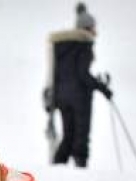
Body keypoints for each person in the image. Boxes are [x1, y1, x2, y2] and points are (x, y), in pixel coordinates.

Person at [47, 3, 112, 168]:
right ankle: (81, 169)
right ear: (87, 28)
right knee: (81, 136)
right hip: (80, 99)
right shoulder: (84, 45)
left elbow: (57, 74)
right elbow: (83, 75)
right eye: (93, 27)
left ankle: (55, 169)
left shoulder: (62, 47)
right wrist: (102, 88)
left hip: (62, 98)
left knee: (68, 135)